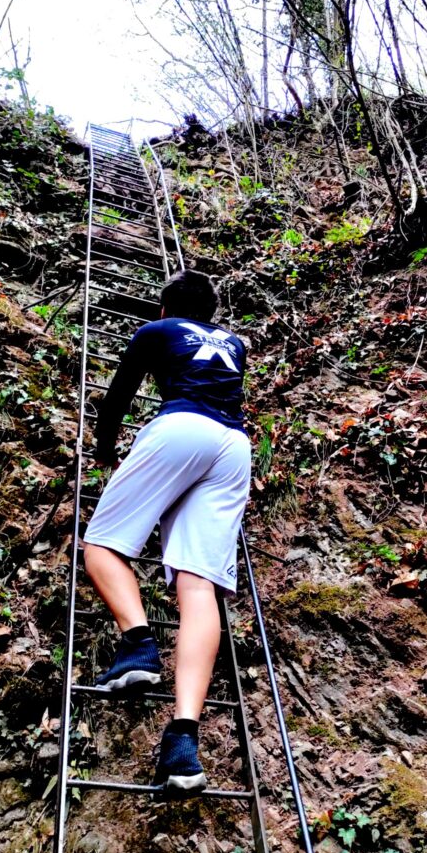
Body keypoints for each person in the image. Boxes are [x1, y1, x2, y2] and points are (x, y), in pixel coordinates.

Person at [81, 269, 251, 795]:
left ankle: (137, 644)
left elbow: (117, 400)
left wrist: (106, 450)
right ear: (211, 313)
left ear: (164, 308)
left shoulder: (156, 332)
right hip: (233, 447)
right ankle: (182, 743)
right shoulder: (235, 344)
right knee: (198, 587)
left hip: (180, 428)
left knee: (102, 544)